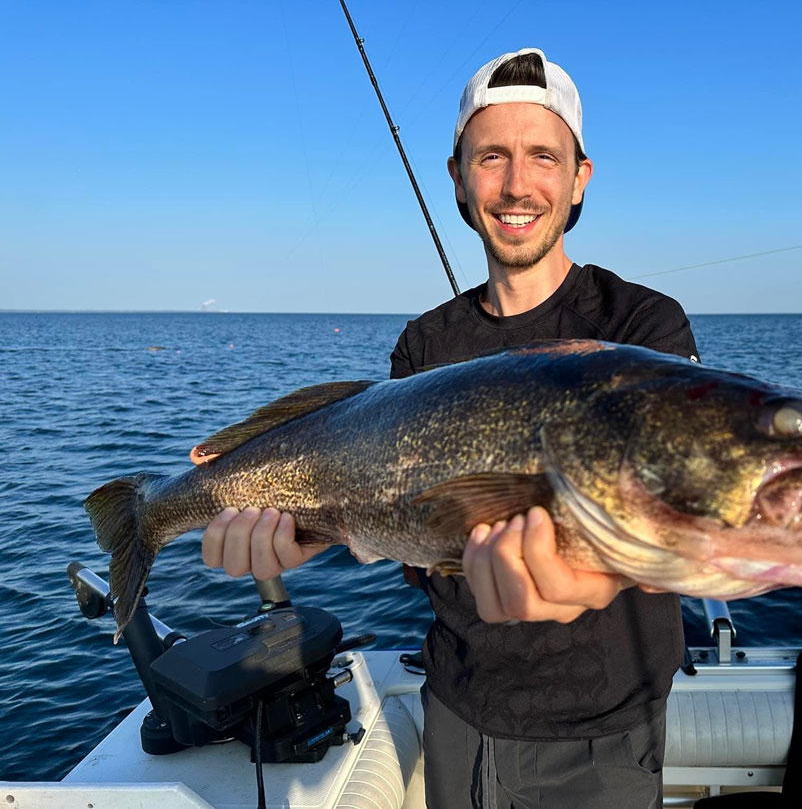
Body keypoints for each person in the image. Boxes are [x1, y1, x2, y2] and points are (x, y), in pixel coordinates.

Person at [201, 48, 698, 808]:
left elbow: (669, 501)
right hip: (459, 705)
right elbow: (408, 529)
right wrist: (306, 533)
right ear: (458, 177)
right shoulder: (424, 344)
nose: (517, 184)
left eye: (543, 156)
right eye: (491, 156)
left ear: (579, 177)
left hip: (605, 726)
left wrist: (593, 572)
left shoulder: (640, 327)